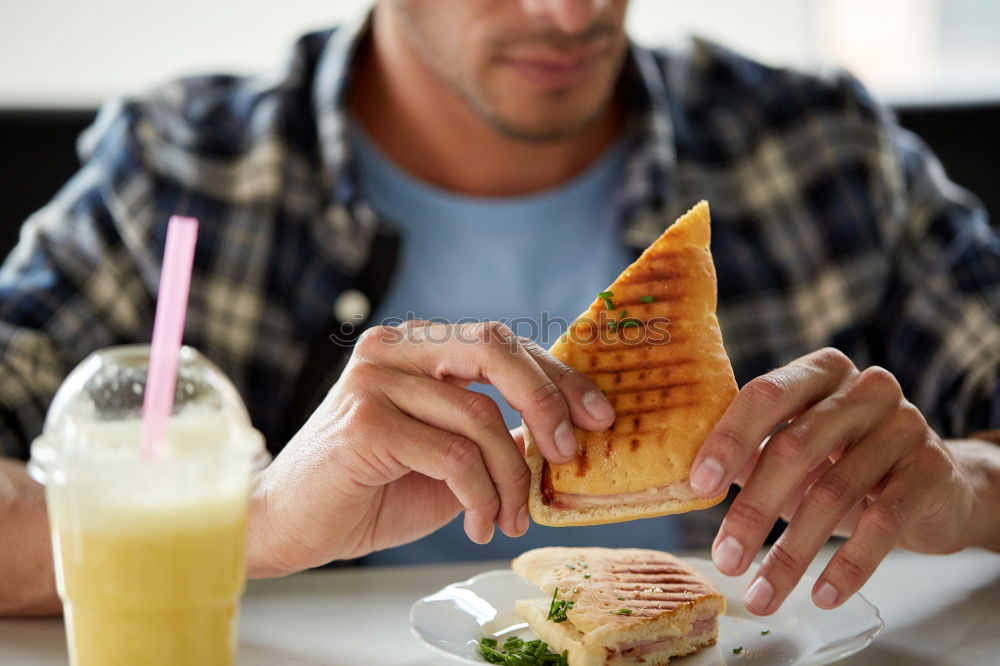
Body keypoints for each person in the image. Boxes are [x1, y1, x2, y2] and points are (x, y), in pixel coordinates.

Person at [1, 0, 998, 619]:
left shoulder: (822, 151)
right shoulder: (177, 171)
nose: (569, 14)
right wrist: (245, 525)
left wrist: (960, 489)